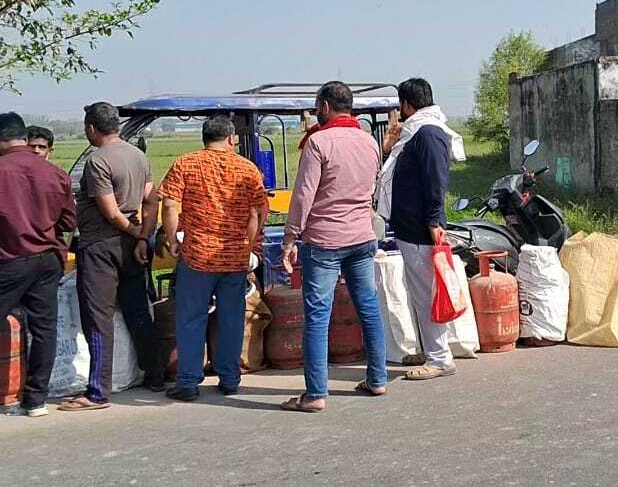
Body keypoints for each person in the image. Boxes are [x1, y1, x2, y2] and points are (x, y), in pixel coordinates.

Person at [279, 82, 388, 412]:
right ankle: (378, 379)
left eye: (316, 107)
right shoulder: (369, 142)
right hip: (361, 236)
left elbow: (303, 196)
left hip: (324, 241)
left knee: (317, 316)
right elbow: (373, 188)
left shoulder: (318, 142)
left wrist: (289, 238)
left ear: (325, 106)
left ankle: (315, 394)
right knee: (368, 307)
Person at [59, 102, 165, 412]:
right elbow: (152, 198)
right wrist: (144, 236)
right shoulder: (138, 156)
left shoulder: (97, 161)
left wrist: (136, 234)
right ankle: (155, 375)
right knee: (138, 312)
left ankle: (97, 391)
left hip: (100, 247)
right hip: (131, 248)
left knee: (98, 318)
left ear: (91, 128)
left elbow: (110, 213)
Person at [158, 117, 266, 402]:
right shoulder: (247, 169)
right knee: (231, 319)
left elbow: (169, 204)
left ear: (204, 137)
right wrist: (249, 246)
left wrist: (171, 239)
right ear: (231, 138)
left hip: (197, 256)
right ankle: (230, 378)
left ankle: (188, 382)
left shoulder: (186, 164)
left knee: (191, 319)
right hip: (233, 259)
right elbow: (257, 213)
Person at [377, 77, 466, 378]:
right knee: (420, 291)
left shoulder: (427, 133)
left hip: (421, 228)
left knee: (428, 292)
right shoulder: (415, 133)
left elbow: (436, 183)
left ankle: (440, 359)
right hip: (411, 226)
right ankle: (431, 350)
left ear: (406, 104)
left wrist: (432, 222)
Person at [0, 113, 75, 417]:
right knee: (44, 328)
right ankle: (36, 400)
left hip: (10, 258)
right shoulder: (54, 173)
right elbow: (69, 220)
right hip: (47, 259)